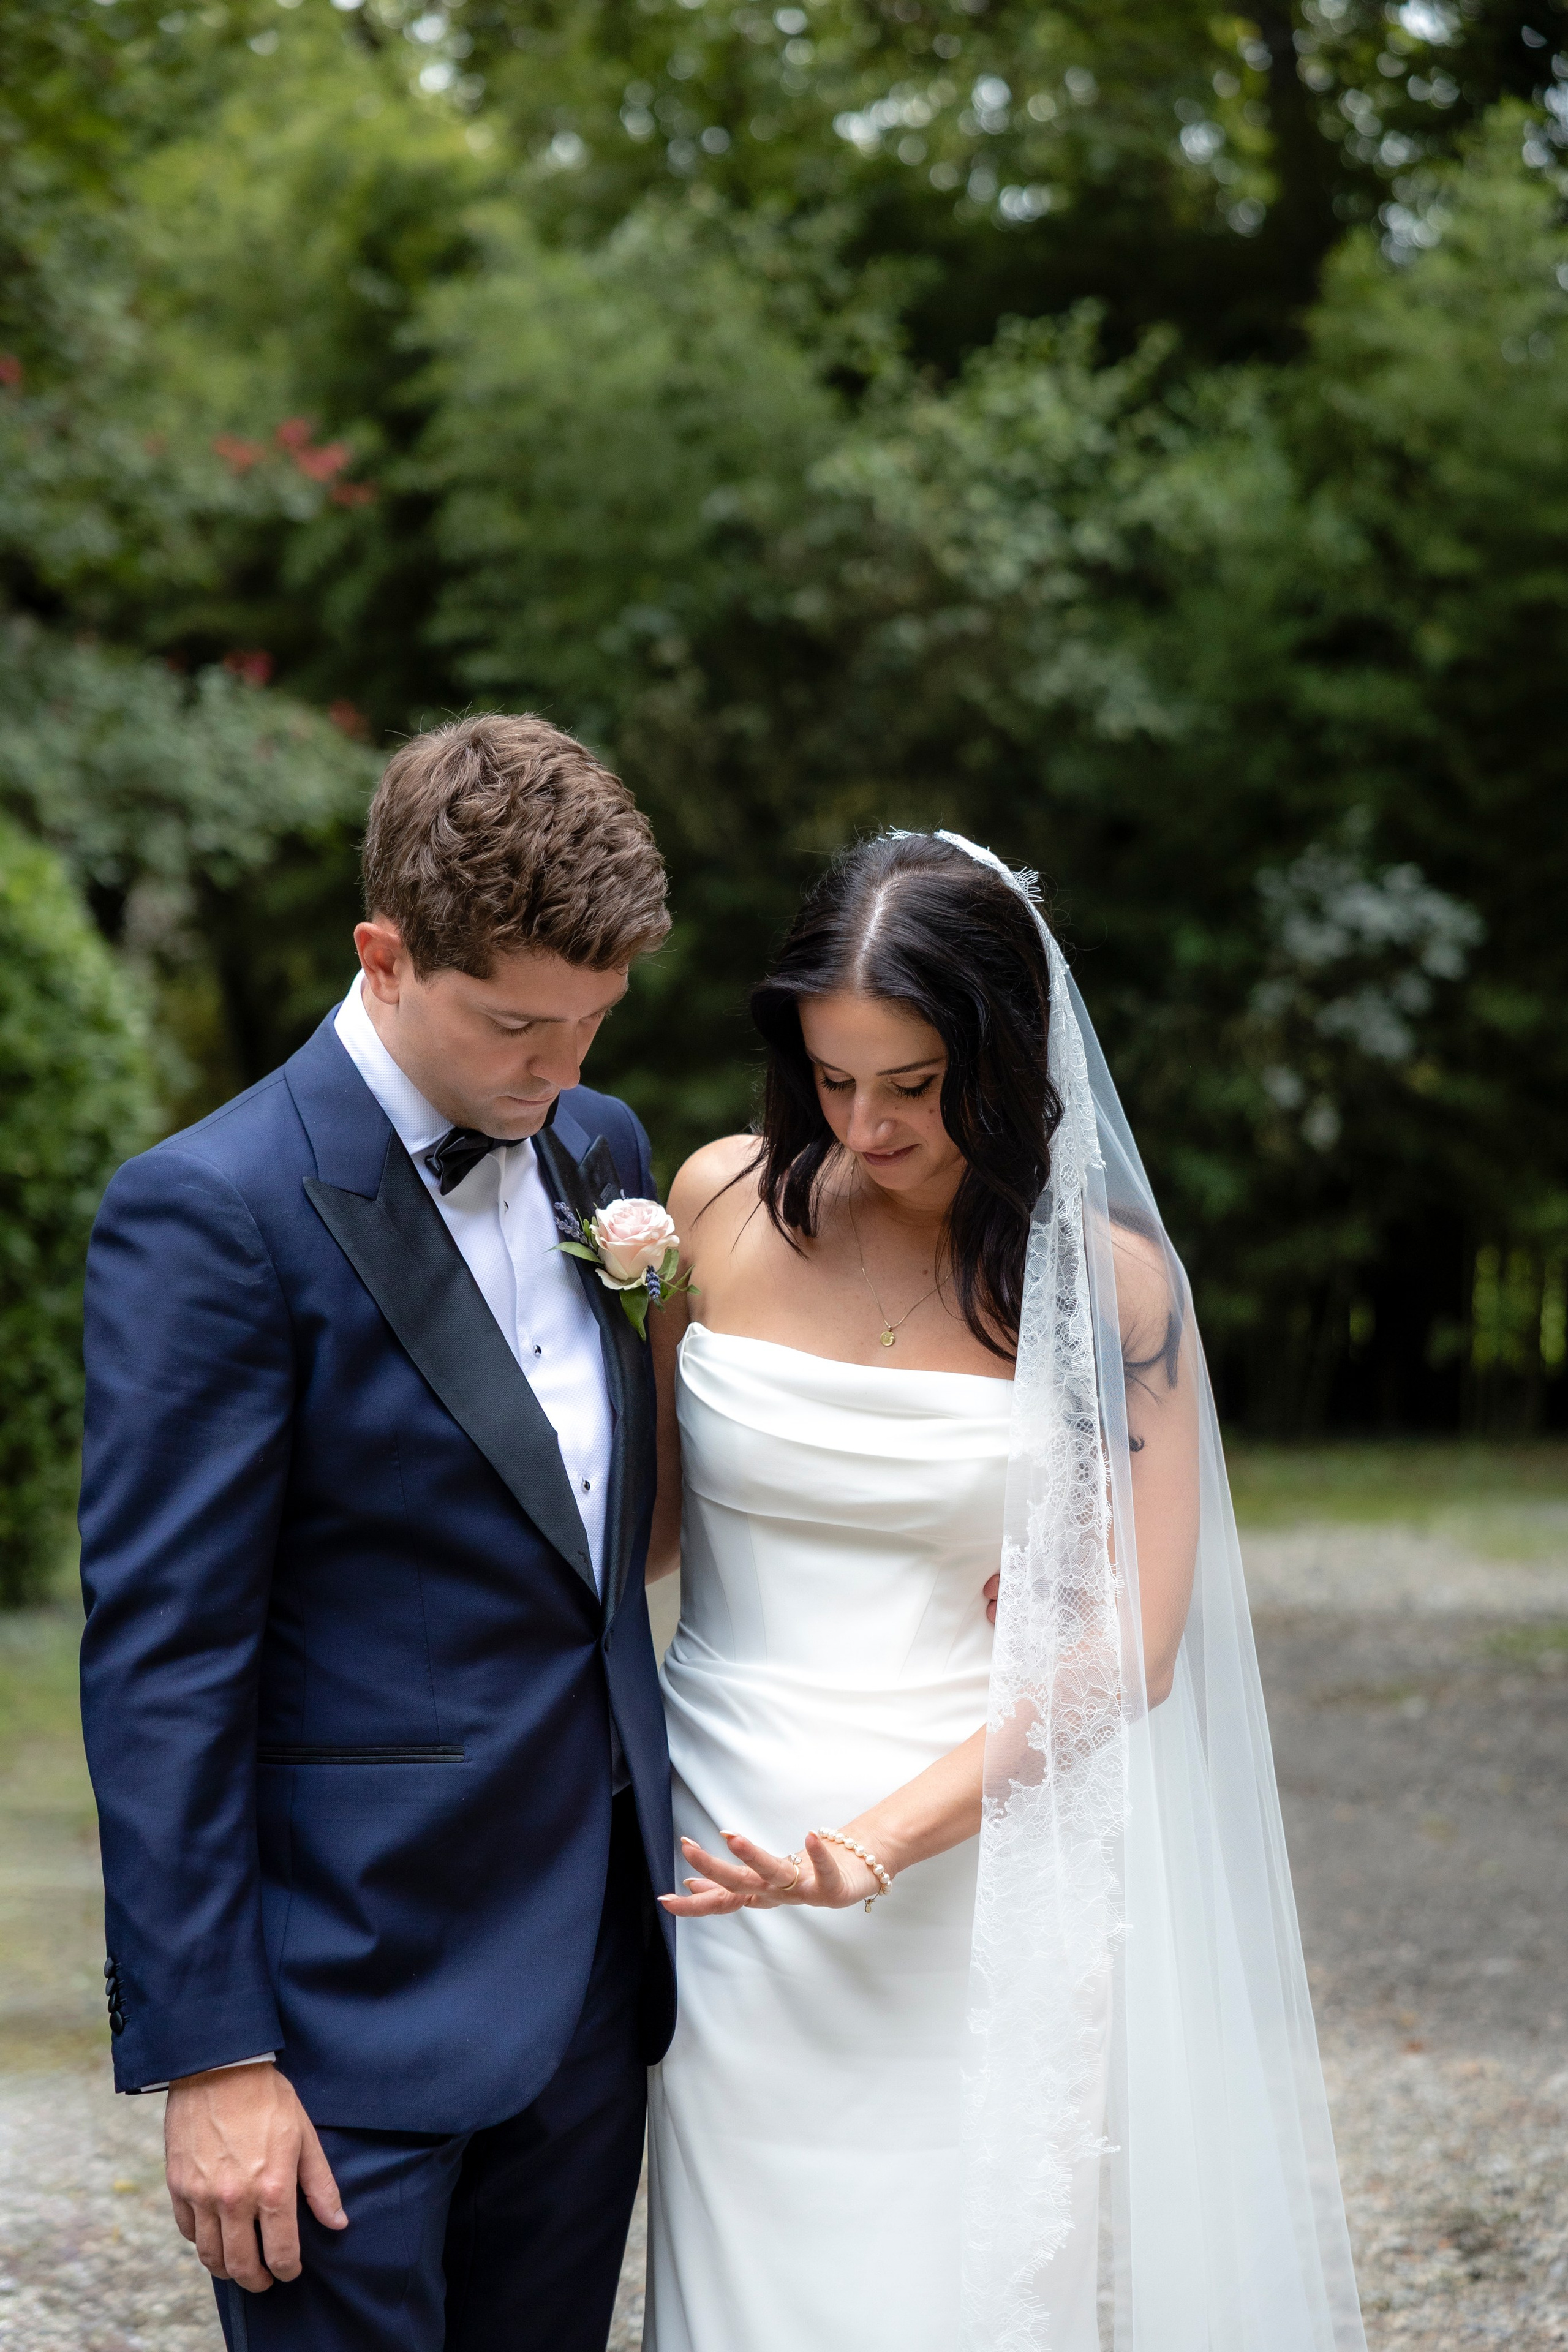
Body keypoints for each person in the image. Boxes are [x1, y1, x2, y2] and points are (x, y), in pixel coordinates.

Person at [643, 831, 1366, 2352]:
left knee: (950, 2288)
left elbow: (1137, 1645)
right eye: (834, 1079)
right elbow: (637, 1527)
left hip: (966, 1849)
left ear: (999, 1052)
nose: (868, 1123)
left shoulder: (1105, 1287)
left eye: (911, 1084)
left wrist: (873, 1844)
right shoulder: (710, 1206)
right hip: (720, 1840)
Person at [78, 715, 677, 2352]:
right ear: (385, 956)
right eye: (515, 1026)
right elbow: (165, 1664)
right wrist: (215, 2058)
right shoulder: (213, 1214)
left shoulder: (603, 1154)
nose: (555, 1073)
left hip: (586, 1980)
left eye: (591, 1023)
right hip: (345, 2016)